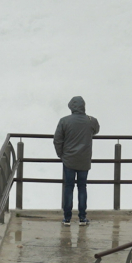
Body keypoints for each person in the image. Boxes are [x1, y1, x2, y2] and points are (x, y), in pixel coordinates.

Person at [53, 96, 100, 226]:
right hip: (84, 159)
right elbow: (96, 130)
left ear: (71, 107)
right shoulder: (91, 120)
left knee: (68, 187)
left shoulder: (64, 121)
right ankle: (82, 218)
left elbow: (57, 140)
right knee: (82, 187)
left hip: (68, 159)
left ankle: (67, 218)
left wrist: (61, 155)